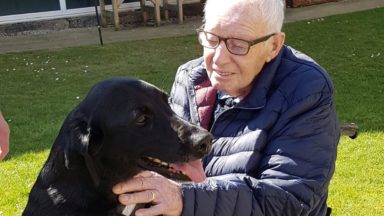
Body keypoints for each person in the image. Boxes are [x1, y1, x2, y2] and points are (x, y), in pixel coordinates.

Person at [112, 0, 340, 215]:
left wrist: (184, 198)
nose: (218, 59)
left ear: (274, 46)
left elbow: (286, 199)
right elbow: (168, 161)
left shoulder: (306, 90)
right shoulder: (190, 78)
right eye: (212, 39)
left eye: (238, 45)